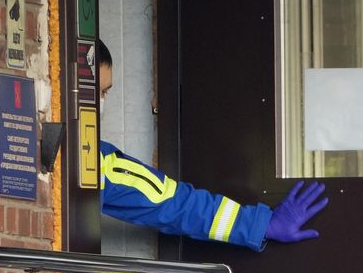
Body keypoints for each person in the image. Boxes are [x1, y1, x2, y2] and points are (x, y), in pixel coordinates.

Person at [95, 39, 327, 250]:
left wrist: (259, 225)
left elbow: (173, 204)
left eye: (104, 93)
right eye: (96, 91)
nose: (100, 102)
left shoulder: (98, 163)